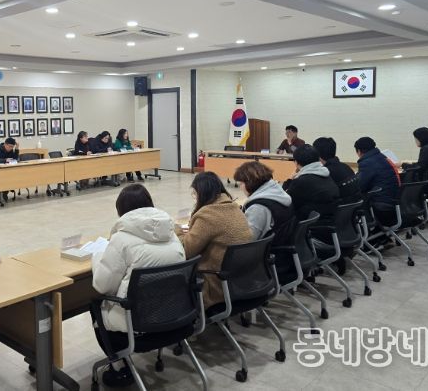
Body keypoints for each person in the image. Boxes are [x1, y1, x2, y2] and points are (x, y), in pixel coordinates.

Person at [91, 184, 185, 387]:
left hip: (138, 323)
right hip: (174, 316)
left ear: (121, 211)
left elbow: (101, 286)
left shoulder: (121, 239)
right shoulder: (172, 233)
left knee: (94, 305)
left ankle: (119, 368)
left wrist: (98, 257)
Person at [176, 172, 252, 311]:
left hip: (215, 286)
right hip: (240, 280)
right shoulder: (233, 207)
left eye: (195, 193)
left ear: (202, 193)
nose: (195, 197)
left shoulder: (207, 215)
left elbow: (186, 250)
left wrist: (177, 230)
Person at [233, 161, 293, 245]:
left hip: (268, 250)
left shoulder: (258, 207)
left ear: (250, 182)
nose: (240, 187)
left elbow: (246, 241)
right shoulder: (277, 192)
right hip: (281, 243)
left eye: (241, 183)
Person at [282, 145, 340, 225]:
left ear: (296, 162)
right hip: (329, 221)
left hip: (309, 225)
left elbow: (285, 200)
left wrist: (290, 179)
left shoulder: (301, 181)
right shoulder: (326, 174)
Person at [312, 137, 360, 202]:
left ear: (317, 154)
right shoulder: (346, 166)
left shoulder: (325, 173)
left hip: (340, 206)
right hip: (355, 205)